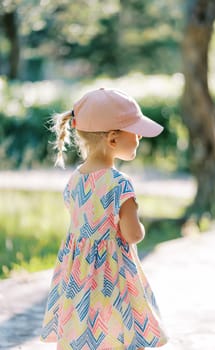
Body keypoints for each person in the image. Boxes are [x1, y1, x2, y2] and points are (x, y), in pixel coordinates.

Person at [40, 88, 168, 349]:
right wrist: (139, 225)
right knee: (122, 330)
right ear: (112, 139)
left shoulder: (75, 179)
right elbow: (132, 234)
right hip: (112, 274)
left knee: (86, 329)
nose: (140, 137)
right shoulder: (120, 184)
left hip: (79, 274)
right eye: (136, 131)